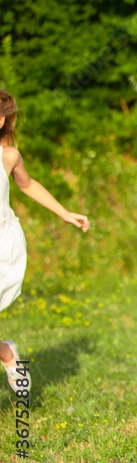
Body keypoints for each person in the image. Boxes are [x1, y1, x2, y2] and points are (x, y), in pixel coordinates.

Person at [0, 90, 90, 393]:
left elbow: (27, 184)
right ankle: (6, 352)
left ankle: (7, 353)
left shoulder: (8, 155)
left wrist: (64, 213)